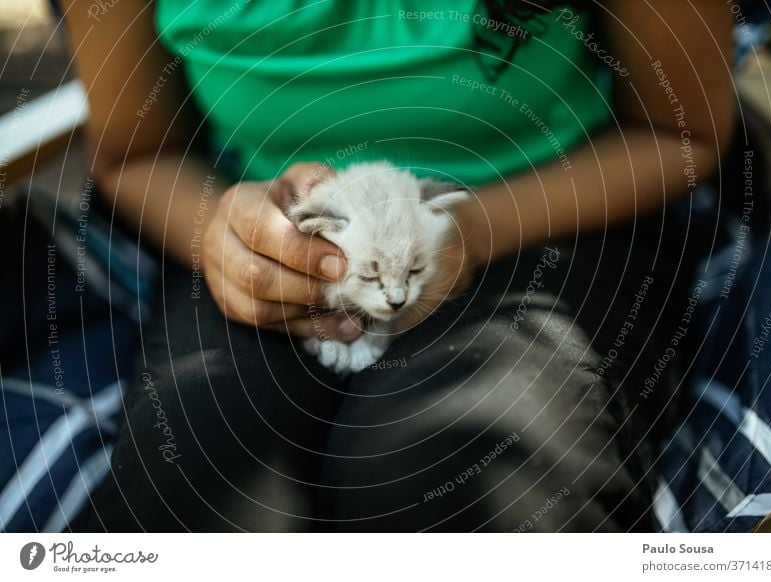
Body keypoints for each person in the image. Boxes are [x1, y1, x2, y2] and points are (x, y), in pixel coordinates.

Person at [62, 0, 734, 531]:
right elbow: (136, 153)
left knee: (459, 489)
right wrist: (219, 234)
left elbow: (682, 133)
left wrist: (471, 229)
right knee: (201, 488)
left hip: (555, 222)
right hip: (264, 237)